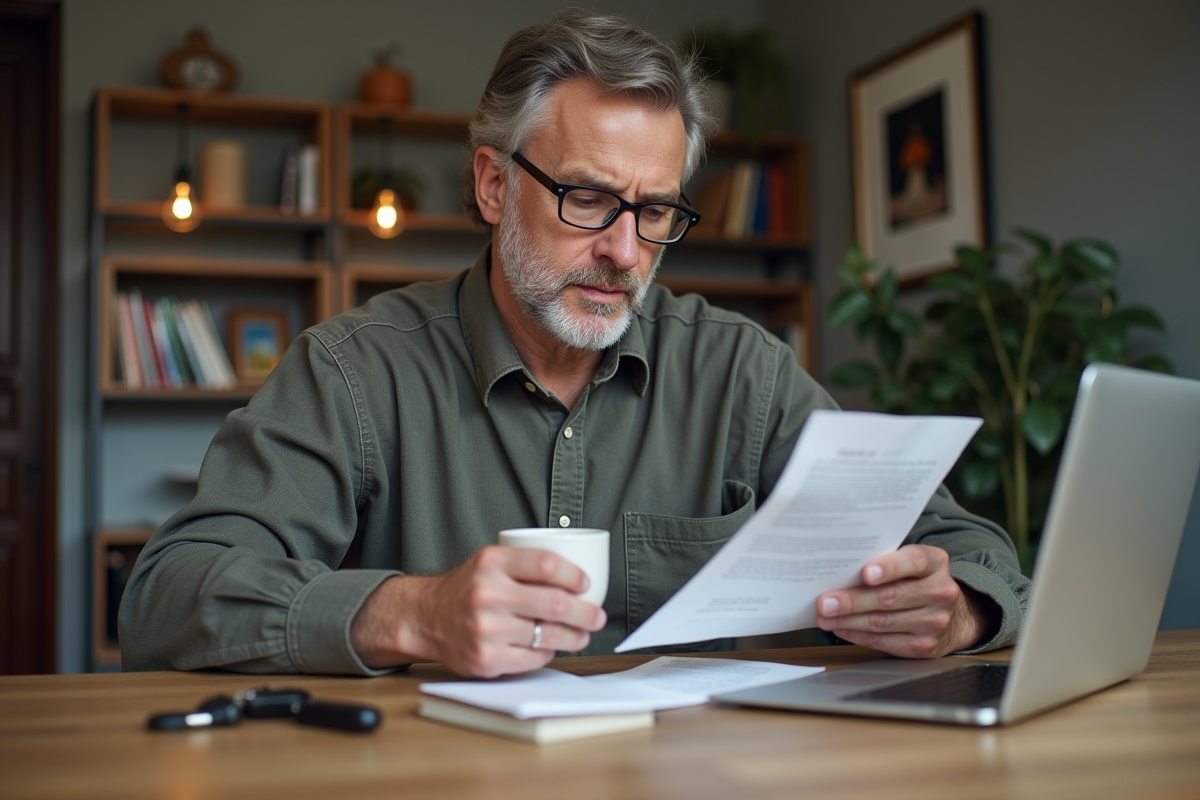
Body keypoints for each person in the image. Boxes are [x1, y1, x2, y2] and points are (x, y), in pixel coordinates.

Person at [120, 9, 1029, 678]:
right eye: (588, 199)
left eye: (657, 211)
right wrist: (406, 613)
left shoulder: (738, 371)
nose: (625, 253)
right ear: (490, 184)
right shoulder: (354, 373)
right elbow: (166, 598)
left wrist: (954, 611)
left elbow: (970, 547)